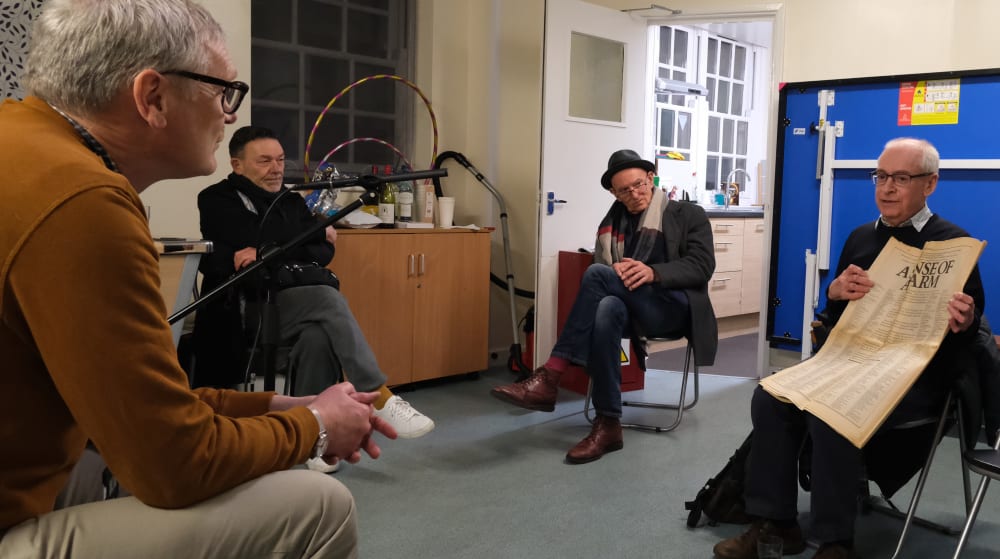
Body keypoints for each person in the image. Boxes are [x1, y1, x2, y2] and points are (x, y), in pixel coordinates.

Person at [0, 1, 396, 557]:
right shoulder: (85, 202)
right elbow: (172, 464)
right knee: (320, 505)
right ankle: (376, 391)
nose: (229, 114)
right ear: (152, 96)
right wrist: (317, 427)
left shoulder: (21, 144)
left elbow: (131, 406)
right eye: (223, 92)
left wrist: (274, 409)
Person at [712, 138, 985, 559]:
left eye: (901, 178)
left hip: (914, 376)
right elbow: (836, 322)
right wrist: (835, 294)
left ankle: (835, 540)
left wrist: (964, 322)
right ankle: (777, 523)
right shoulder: (861, 237)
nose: (886, 187)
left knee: (830, 410)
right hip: (850, 361)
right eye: (880, 176)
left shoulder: (953, 244)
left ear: (929, 184)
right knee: (769, 397)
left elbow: (967, 333)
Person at [194, 125, 435, 464]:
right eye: (264, 161)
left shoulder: (291, 201)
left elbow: (323, 253)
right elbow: (279, 236)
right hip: (245, 309)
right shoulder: (216, 199)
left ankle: (317, 440)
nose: (276, 168)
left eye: (279, 160)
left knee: (319, 334)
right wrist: (310, 232)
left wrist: (272, 249)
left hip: (292, 305)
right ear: (237, 165)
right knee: (326, 299)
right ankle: (378, 395)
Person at [490, 149, 717, 464]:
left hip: (672, 309)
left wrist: (654, 272)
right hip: (628, 310)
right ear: (614, 192)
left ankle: (551, 375)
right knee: (607, 307)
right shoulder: (612, 224)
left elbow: (702, 266)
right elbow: (601, 287)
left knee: (597, 274)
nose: (635, 194)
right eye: (624, 190)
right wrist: (620, 274)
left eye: (639, 184)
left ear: (651, 178)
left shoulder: (688, 214)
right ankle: (608, 423)